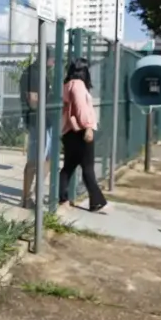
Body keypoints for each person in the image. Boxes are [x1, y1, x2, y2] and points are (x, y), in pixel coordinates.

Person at [58, 57, 107, 211]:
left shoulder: (67, 85)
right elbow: (81, 109)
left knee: (69, 167)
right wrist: (88, 127)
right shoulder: (78, 85)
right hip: (80, 131)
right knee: (87, 167)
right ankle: (97, 200)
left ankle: (63, 197)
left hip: (69, 131)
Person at [19, 47, 54, 209]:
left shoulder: (42, 73)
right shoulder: (33, 73)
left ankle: (35, 193)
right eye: (52, 58)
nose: (54, 62)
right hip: (36, 122)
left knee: (47, 159)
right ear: (45, 58)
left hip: (46, 122)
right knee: (34, 161)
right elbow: (33, 101)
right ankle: (26, 199)